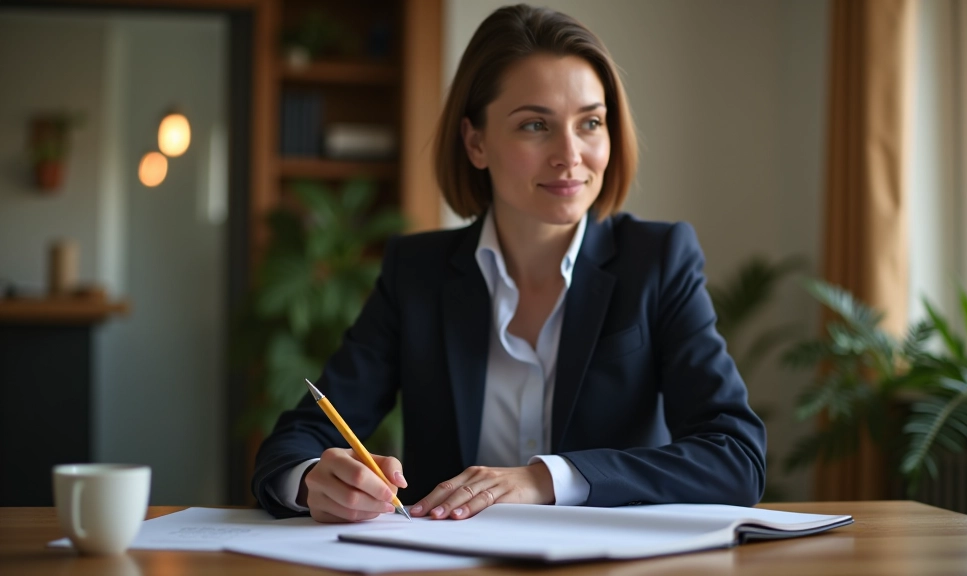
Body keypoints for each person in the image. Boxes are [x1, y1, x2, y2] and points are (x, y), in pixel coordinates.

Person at [252, 4, 766, 523]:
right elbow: (297, 440)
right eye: (535, 125)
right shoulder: (417, 273)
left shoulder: (657, 261)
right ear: (476, 142)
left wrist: (544, 478)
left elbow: (735, 456)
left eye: (590, 122)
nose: (570, 155)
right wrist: (314, 479)